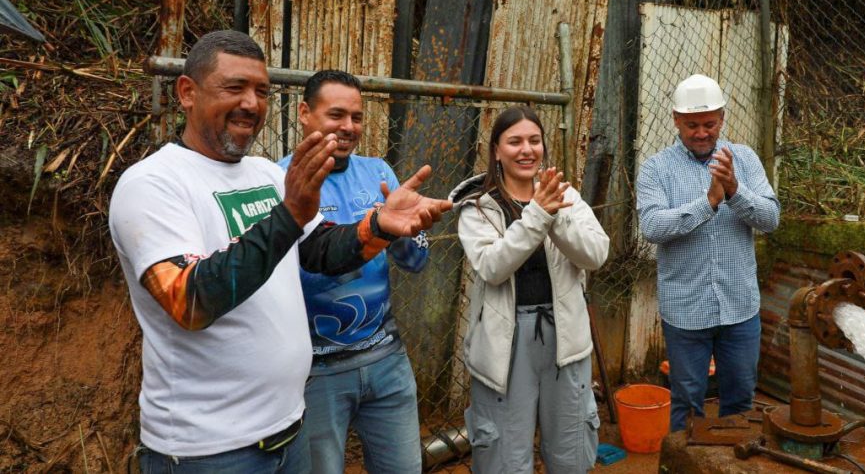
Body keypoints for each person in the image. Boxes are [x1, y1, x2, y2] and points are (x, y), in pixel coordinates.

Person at [109, 31, 451, 473]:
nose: (251, 103)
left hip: (289, 430)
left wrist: (379, 226)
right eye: (235, 88)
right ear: (187, 92)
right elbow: (189, 300)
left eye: (261, 91)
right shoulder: (152, 183)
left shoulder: (264, 175)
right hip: (208, 450)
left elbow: (320, 251)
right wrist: (289, 214)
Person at [278, 69, 427, 473]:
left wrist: (406, 233)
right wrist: (370, 230)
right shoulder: (278, 180)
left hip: (387, 361)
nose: (348, 127)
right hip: (317, 372)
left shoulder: (378, 172)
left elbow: (416, 263)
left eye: (357, 118)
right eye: (336, 115)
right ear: (305, 113)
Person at [449, 106, 609, 474]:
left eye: (534, 141)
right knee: (504, 454)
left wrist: (553, 218)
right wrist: (538, 215)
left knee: (570, 449)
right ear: (496, 151)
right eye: (515, 141)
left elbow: (597, 254)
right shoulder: (478, 206)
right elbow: (492, 267)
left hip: (565, 340)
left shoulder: (565, 196)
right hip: (506, 343)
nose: (526, 150)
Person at [636, 74, 780, 432]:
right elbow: (652, 227)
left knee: (740, 398)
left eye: (709, 124)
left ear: (722, 118)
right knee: (686, 399)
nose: (702, 133)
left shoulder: (744, 160)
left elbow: (771, 219)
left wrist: (734, 190)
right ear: (675, 120)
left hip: (740, 308)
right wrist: (709, 203)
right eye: (692, 125)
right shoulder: (656, 168)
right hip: (686, 311)